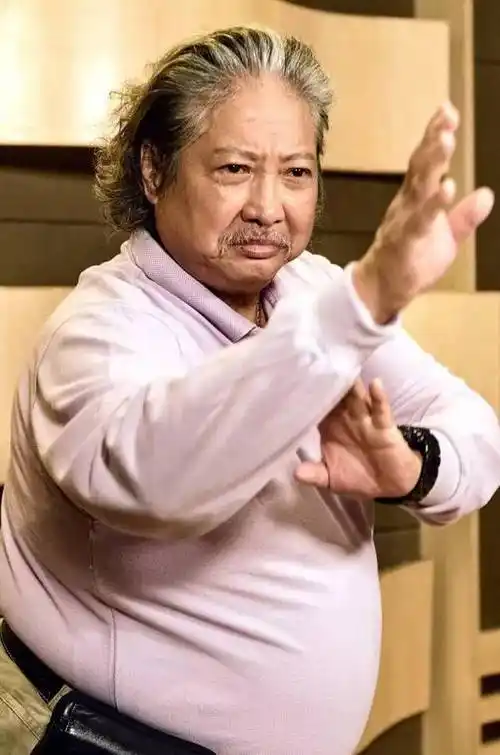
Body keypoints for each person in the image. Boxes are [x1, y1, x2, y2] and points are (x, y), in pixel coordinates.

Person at [0, 25, 499, 755]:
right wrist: (359, 308)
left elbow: (477, 433)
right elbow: (158, 477)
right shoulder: (97, 330)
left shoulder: (313, 290)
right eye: (235, 169)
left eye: (296, 172)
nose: (269, 207)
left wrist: (411, 462)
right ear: (154, 170)